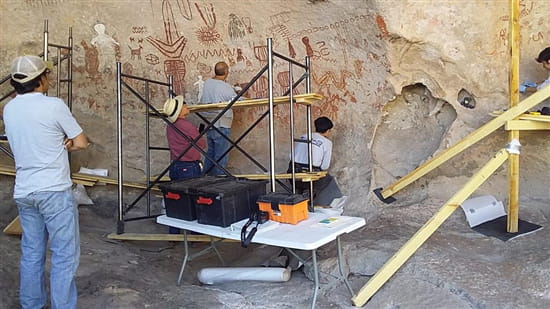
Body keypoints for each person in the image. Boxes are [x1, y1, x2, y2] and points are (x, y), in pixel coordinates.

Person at [4, 55, 89, 309]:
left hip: (25, 191)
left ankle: (32, 305)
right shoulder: (54, 105)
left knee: (31, 253)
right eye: (47, 75)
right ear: (40, 79)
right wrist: (68, 144)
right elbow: (82, 141)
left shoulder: (9, 108)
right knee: (64, 255)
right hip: (53, 190)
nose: (49, 79)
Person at [164, 95, 206, 234]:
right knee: (193, 200)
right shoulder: (186, 125)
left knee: (175, 200)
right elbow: (202, 144)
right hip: (189, 166)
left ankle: (173, 233)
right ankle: (195, 235)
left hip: (175, 165)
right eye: (184, 105)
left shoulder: (170, 126)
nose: (186, 106)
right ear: (180, 110)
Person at [287, 116, 342, 206]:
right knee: (328, 180)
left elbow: (290, 156)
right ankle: (329, 207)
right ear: (328, 130)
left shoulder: (303, 136)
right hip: (311, 175)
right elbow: (325, 166)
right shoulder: (327, 142)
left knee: (302, 184)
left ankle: (301, 197)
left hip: (293, 172)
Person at [199, 61, 242, 176]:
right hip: (221, 124)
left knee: (211, 154)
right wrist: (241, 93)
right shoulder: (225, 86)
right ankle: (219, 181)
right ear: (226, 72)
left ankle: (204, 178)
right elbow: (236, 100)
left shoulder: (207, 83)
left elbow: (216, 87)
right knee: (221, 156)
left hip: (209, 123)